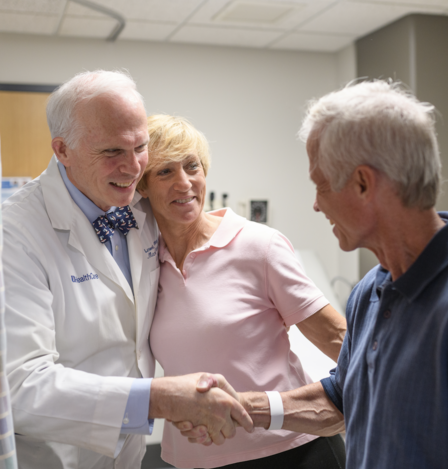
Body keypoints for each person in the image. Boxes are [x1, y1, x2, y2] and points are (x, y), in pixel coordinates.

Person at [179, 80, 448, 469]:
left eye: (320, 185)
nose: (316, 204)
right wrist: (244, 406)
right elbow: (343, 398)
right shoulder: (372, 292)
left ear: (364, 184)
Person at [2, 71, 252, 469]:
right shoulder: (14, 233)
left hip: (130, 452)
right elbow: (20, 385)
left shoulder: (140, 206)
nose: (134, 167)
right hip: (55, 456)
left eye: (140, 147)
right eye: (112, 152)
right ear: (62, 150)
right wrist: (160, 398)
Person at [137, 114, 348, 469]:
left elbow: (338, 338)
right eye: (165, 172)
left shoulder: (257, 246)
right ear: (142, 186)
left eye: (192, 166)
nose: (184, 183)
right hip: (193, 458)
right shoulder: (144, 264)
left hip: (292, 451)